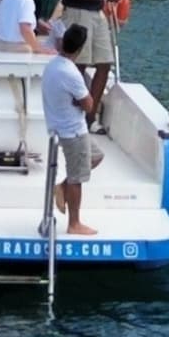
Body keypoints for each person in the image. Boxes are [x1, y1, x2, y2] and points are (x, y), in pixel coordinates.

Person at [59, 0, 129, 126]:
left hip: (95, 12)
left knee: (104, 63)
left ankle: (90, 115)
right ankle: (73, 112)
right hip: (79, 12)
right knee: (79, 64)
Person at [41, 23, 99, 236]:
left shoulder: (53, 65)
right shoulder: (71, 73)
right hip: (73, 131)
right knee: (77, 178)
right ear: (80, 49)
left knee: (96, 156)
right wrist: (80, 101)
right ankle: (74, 223)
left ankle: (61, 187)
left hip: (60, 126)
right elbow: (90, 105)